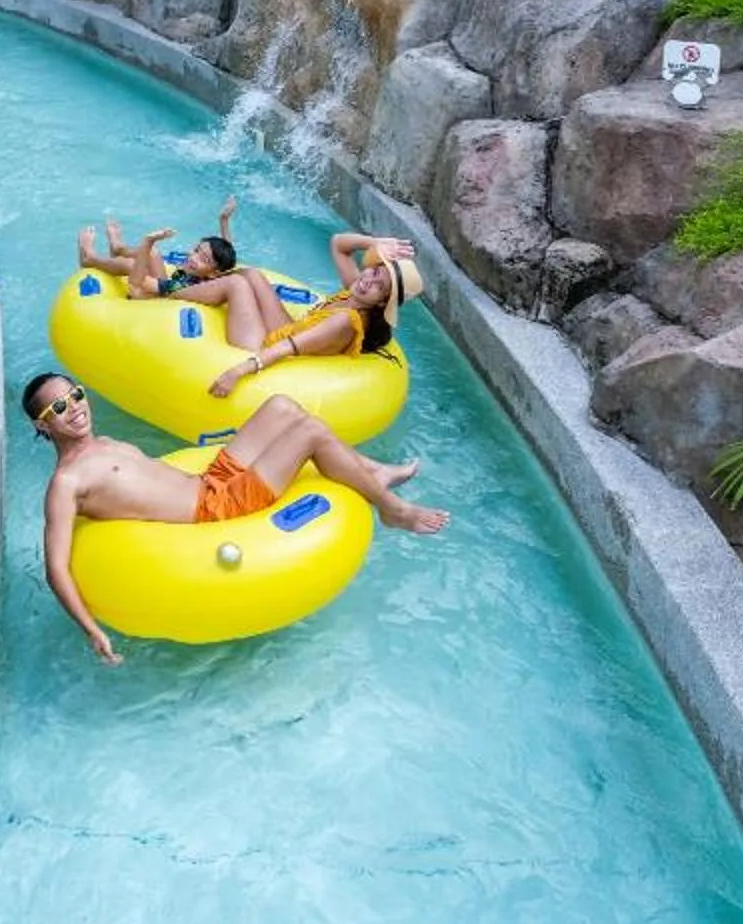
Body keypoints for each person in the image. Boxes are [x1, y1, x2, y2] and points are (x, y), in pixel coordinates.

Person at [26, 372, 447, 663]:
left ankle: (375, 471)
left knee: (281, 406)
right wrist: (92, 630)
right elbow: (56, 567)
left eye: (76, 394)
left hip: (209, 479)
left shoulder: (106, 442)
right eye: (59, 407)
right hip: (217, 509)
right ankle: (393, 510)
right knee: (311, 432)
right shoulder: (67, 483)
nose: (75, 407)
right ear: (42, 426)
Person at [182, 231, 421, 398]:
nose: (368, 281)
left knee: (236, 285)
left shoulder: (346, 320)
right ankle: (202, 278)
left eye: (379, 286)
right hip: (289, 328)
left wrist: (238, 371)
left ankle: (169, 291)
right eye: (375, 272)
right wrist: (375, 242)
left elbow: (288, 347)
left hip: (263, 346)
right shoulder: (356, 291)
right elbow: (339, 244)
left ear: (382, 302)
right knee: (252, 275)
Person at [76, 195, 236, 298]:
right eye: (196, 251)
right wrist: (224, 220)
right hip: (164, 289)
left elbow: (136, 285)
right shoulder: (211, 275)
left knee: (130, 265)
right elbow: (227, 260)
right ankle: (119, 249)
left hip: (153, 301)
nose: (194, 258)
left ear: (214, 273)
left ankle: (89, 259)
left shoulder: (182, 286)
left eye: (204, 259)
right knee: (152, 253)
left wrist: (148, 241)